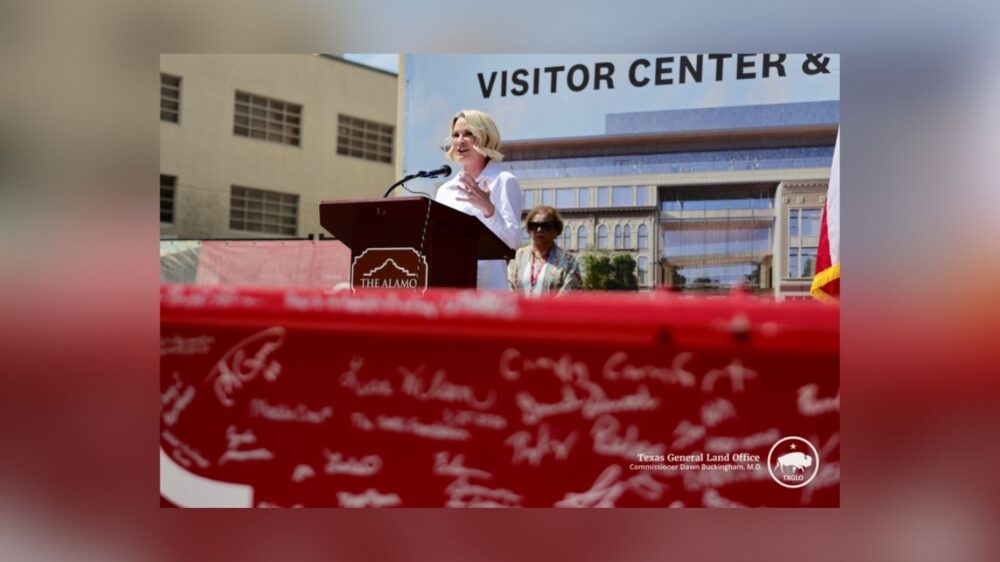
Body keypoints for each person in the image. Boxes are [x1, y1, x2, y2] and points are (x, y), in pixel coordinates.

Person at [434, 109, 522, 290]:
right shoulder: (445, 191)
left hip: (487, 292)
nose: (459, 141)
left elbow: (512, 242)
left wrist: (489, 210)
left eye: (468, 134)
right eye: (455, 135)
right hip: (449, 289)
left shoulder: (503, 181)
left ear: (485, 137)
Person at [507, 205, 583, 297]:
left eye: (545, 226)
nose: (539, 230)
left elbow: (570, 294)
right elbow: (509, 286)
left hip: (553, 311)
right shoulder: (519, 255)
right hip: (521, 310)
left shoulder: (568, 260)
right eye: (534, 226)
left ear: (556, 230)